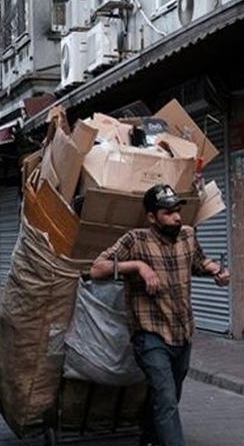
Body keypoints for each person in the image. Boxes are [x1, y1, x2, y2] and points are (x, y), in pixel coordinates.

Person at [90, 183, 230, 446]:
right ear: (152, 217)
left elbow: (200, 261)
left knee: (169, 396)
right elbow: (97, 268)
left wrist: (217, 272)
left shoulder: (188, 235)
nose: (176, 217)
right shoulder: (136, 240)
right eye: (168, 213)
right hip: (150, 336)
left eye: (177, 210)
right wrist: (139, 266)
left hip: (182, 333)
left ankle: (148, 440)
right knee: (166, 398)